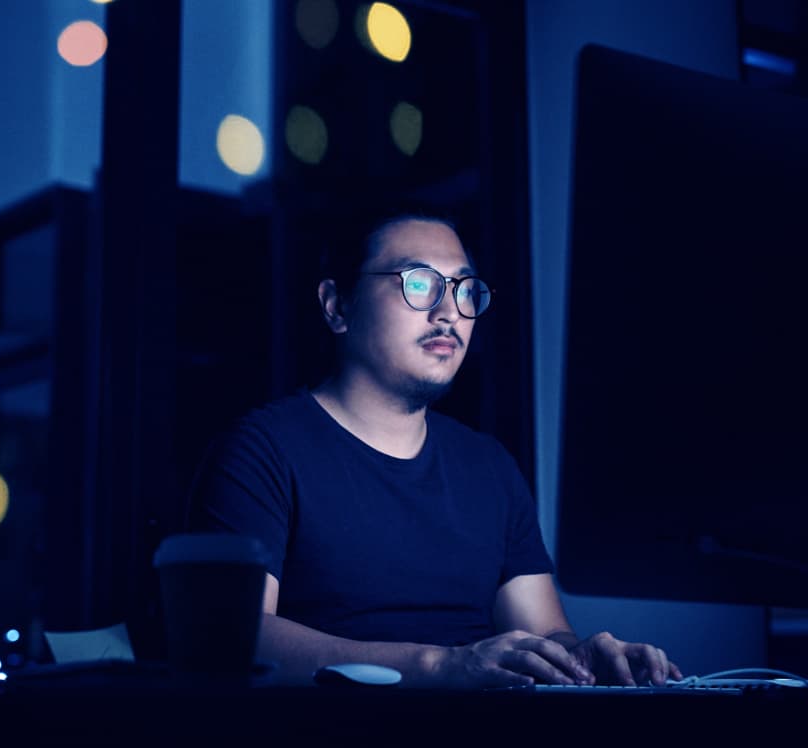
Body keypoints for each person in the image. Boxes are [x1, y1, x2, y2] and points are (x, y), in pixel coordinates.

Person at [185, 212, 682, 689]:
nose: (448, 313)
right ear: (338, 306)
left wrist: (580, 659)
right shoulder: (261, 451)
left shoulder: (488, 467)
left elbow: (545, 633)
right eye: (419, 284)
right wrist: (440, 665)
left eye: (464, 290)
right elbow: (234, 636)